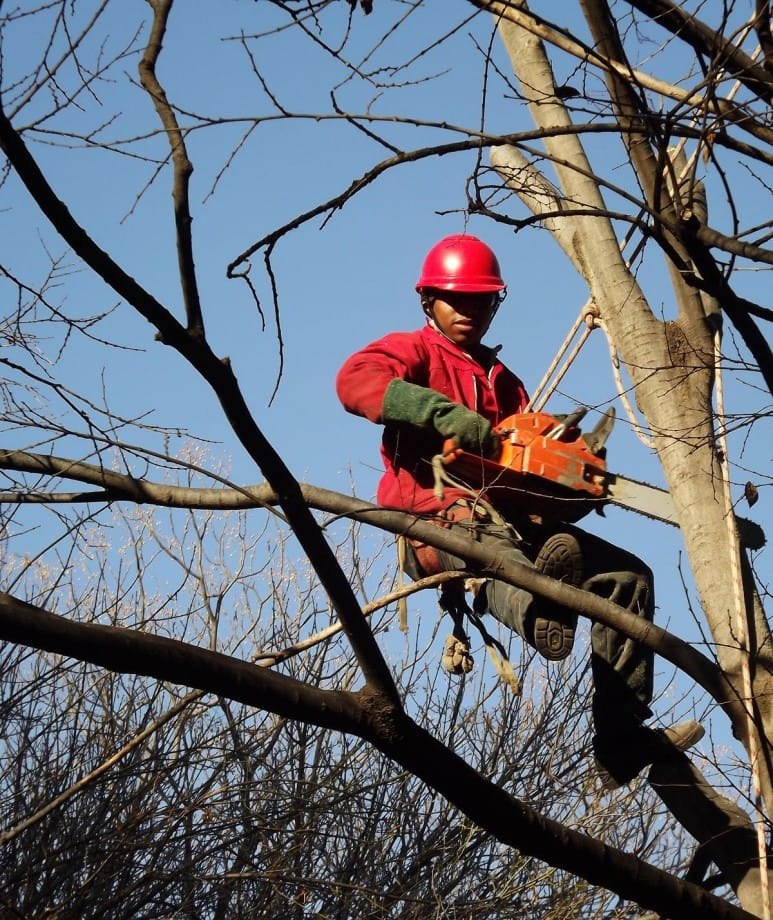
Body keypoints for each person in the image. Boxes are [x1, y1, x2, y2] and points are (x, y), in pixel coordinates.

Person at [336, 233, 703, 789]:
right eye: (456, 300)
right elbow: (355, 380)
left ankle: (621, 738)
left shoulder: (507, 385)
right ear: (429, 301)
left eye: (480, 301)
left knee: (627, 577)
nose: (469, 312)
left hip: (512, 519)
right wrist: (440, 413)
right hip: (436, 517)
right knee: (495, 552)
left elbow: (526, 471)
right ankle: (538, 611)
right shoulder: (414, 351)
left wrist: (573, 483)